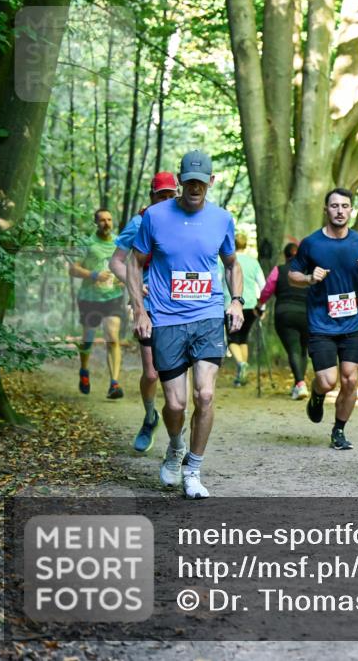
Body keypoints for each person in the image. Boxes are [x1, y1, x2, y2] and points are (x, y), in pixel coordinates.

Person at [127, 150, 244, 500]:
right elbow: (134, 264)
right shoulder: (155, 216)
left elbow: (232, 264)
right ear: (180, 181)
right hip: (166, 319)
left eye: (201, 182)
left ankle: (193, 469)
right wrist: (140, 310)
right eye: (189, 181)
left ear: (211, 181)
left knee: (204, 395)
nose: (195, 188)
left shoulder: (222, 219)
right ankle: (176, 445)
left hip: (207, 316)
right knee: (176, 405)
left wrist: (236, 300)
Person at [288, 188, 358, 450]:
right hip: (321, 324)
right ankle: (317, 394)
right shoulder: (312, 243)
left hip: (352, 324)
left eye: (345, 206)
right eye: (335, 206)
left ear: (351, 210)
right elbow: (292, 275)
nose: (340, 211)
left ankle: (338, 430)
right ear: (325, 209)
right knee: (328, 381)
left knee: (350, 379)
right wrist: (309, 278)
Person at [108, 171, 179, 452]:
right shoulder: (139, 222)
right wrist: (134, 283)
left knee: (175, 373)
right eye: (161, 196)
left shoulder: (186, 221)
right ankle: (150, 418)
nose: (166, 200)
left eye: (171, 195)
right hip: (148, 305)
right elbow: (116, 262)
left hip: (179, 306)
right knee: (151, 374)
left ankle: (177, 429)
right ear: (152, 196)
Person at [68, 208, 126, 399]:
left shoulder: (119, 242)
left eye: (109, 219)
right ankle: (84, 370)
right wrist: (94, 275)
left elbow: (127, 267)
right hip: (89, 298)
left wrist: (123, 279)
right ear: (96, 223)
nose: (106, 223)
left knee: (112, 336)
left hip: (113, 297)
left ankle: (114, 383)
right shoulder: (87, 243)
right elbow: (73, 269)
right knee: (88, 339)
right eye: (102, 220)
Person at [258, 242, 311, 399]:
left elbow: (267, 289)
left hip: (285, 314)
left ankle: (300, 384)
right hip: (307, 315)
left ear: (285, 256)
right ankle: (299, 384)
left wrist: (259, 305)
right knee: (303, 350)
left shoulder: (279, 270)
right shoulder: (309, 272)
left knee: (293, 349)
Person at [226, 231, 266, 387]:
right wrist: (262, 307)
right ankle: (241, 375)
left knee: (232, 338)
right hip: (250, 305)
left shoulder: (225, 260)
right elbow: (263, 285)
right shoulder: (253, 262)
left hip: (231, 304)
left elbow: (218, 279)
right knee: (243, 338)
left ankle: (241, 364)